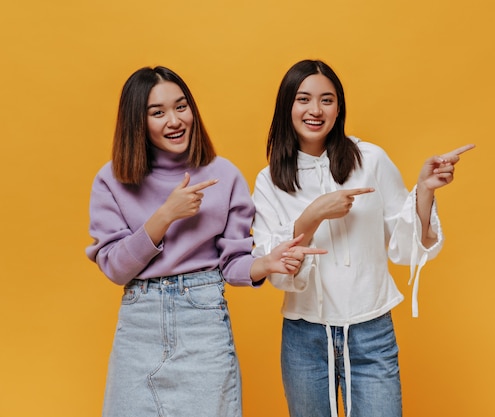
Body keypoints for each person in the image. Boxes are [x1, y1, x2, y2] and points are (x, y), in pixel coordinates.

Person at [85, 65, 325, 417]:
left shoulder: (223, 174)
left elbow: (232, 262)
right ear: (137, 121)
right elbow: (116, 268)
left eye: (181, 107)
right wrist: (165, 215)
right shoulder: (112, 180)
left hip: (203, 321)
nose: (174, 120)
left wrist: (266, 262)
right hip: (140, 325)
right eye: (158, 112)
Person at [251, 59, 475, 417]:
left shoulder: (370, 160)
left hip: (371, 332)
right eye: (303, 99)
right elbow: (275, 271)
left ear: (339, 108)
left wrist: (425, 191)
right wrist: (312, 216)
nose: (315, 110)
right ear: (287, 106)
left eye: (327, 99)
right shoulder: (269, 181)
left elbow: (404, 243)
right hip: (304, 339)